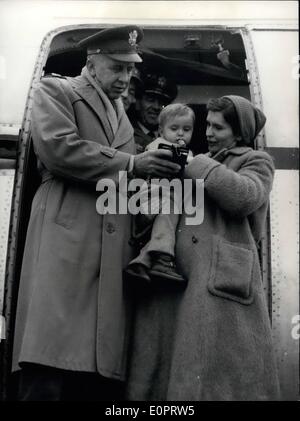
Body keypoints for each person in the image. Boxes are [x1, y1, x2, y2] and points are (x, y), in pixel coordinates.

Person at [11, 25, 181, 401]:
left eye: (129, 70)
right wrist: (134, 164)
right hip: (68, 231)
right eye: (117, 68)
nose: (125, 79)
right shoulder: (57, 90)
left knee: (89, 371)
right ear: (92, 63)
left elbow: (124, 174)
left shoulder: (119, 111)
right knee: (49, 361)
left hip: (104, 245)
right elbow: (59, 149)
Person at [125, 95, 280, 401]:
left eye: (218, 127)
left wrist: (197, 165)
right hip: (179, 278)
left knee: (214, 380)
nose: (208, 132)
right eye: (207, 124)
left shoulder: (255, 161)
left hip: (219, 282)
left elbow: (244, 197)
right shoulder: (193, 160)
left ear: (239, 133)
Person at [124, 103, 194, 287]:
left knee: (165, 225)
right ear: (161, 131)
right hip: (152, 198)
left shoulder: (186, 152)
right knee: (168, 217)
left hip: (164, 198)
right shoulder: (158, 145)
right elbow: (190, 166)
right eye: (174, 128)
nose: (180, 134)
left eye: (186, 129)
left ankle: (141, 262)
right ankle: (163, 259)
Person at [131, 72, 178, 153]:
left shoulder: (173, 137)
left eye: (162, 102)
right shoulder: (127, 133)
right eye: (150, 100)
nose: (156, 107)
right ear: (138, 103)